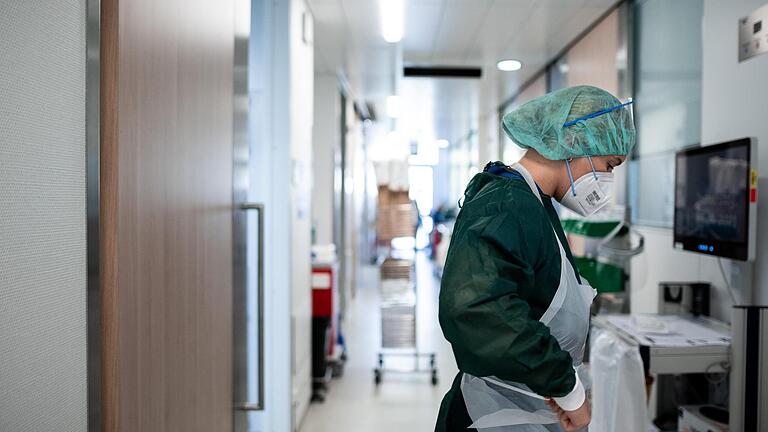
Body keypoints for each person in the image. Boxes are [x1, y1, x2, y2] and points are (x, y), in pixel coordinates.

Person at [435, 85, 636, 432]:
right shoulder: (507, 204)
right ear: (577, 142)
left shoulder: (534, 203)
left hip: (522, 411)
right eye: (609, 165)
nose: (607, 179)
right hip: (491, 416)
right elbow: (476, 309)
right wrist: (567, 388)